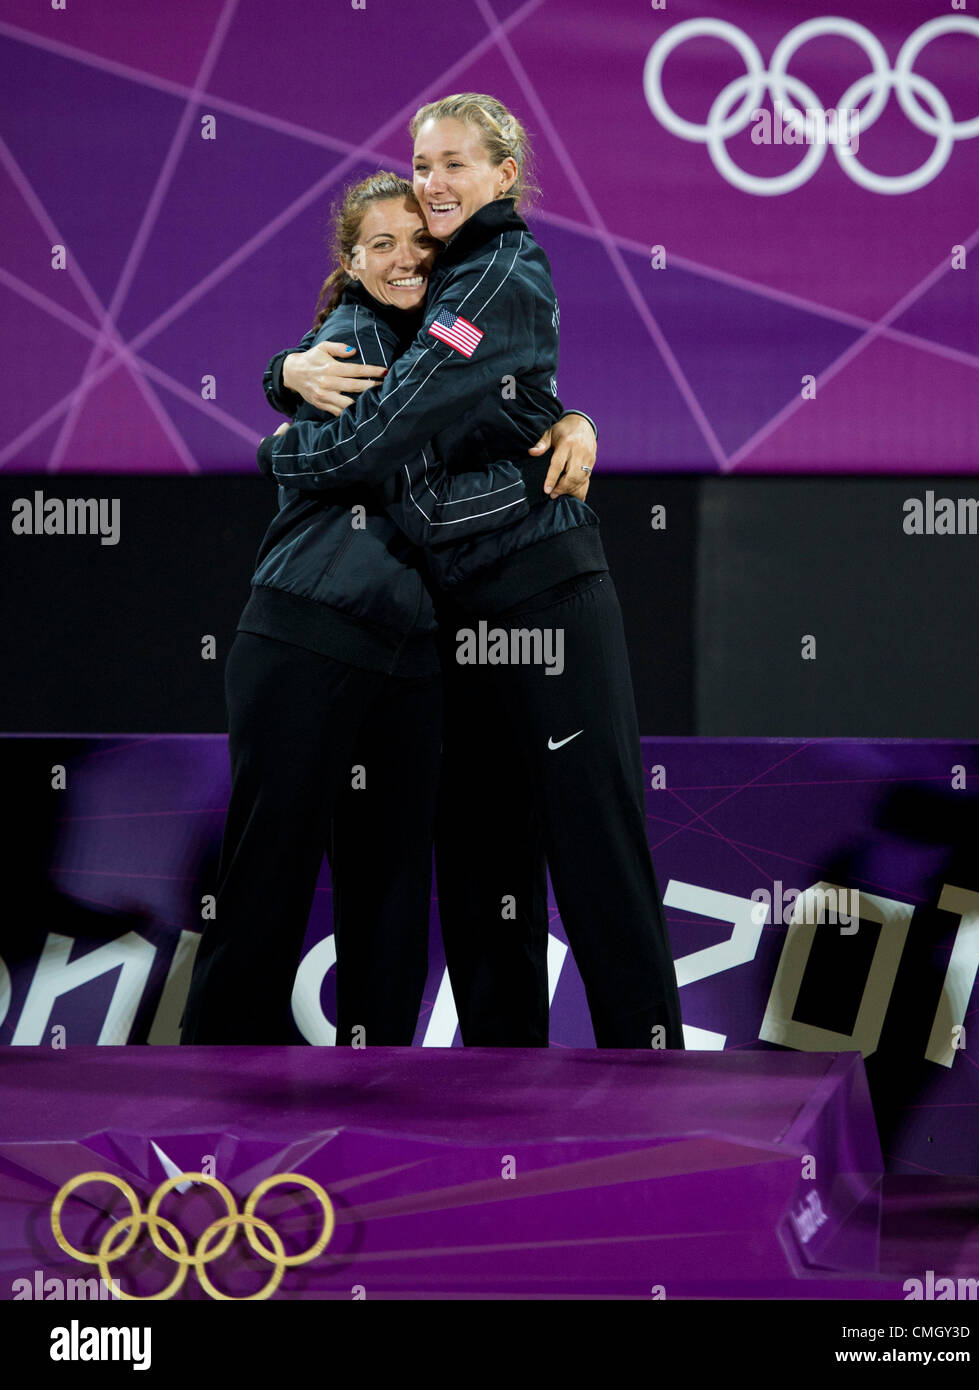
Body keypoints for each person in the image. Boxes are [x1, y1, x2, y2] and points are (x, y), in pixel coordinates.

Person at [261, 93, 684, 1050]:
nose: (436, 183)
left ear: (505, 176)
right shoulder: (435, 280)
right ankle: (503, 1095)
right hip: (455, 616)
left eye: (457, 164)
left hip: (547, 596)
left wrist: (277, 448)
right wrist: (284, 374)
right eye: (423, 165)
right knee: (483, 851)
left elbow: (391, 433)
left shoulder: (499, 267)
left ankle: (655, 1079)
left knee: (593, 840)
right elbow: (500, 396)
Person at [179, 171, 594, 1045]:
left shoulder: (450, 343)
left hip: (410, 659)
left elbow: (512, 408)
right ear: (351, 261)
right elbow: (411, 491)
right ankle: (207, 1098)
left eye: (421, 242)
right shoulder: (354, 339)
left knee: (391, 888)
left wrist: (576, 422)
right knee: (269, 872)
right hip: (307, 637)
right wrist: (280, 432)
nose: (406, 258)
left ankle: (376, 1094)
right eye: (381, 245)